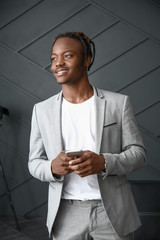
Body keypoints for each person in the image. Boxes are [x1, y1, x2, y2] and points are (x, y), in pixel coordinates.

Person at [28, 32, 146, 240]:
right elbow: (34, 162)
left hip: (112, 212)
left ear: (87, 60)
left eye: (68, 56)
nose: (58, 63)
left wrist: (104, 162)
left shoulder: (118, 103)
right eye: (54, 58)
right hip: (65, 214)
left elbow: (139, 154)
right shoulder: (42, 110)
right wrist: (52, 168)